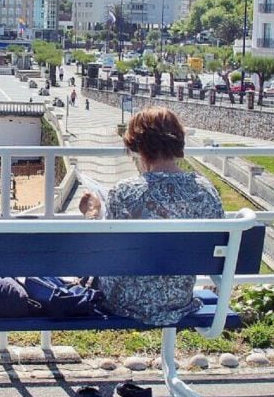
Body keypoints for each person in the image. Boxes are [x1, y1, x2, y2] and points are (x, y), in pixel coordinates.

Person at [78, 107, 223, 325]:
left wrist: (93, 214)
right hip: (178, 300)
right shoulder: (206, 191)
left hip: (125, 302)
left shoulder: (125, 192)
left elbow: (104, 254)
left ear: (139, 146)